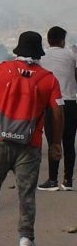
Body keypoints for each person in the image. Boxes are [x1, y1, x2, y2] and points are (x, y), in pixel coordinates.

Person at [0, 30, 63, 246]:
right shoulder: (48, 79)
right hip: (30, 145)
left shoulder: (0, 70)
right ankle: (26, 237)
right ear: (39, 51)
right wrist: (56, 143)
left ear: (19, 49)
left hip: (0, 141)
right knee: (26, 193)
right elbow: (58, 111)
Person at [47, 26, 77, 192]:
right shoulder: (71, 54)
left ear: (48, 40)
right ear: (62, 40)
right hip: (70, 103)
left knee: (53, 141)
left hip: (52, 105)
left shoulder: (42, 56)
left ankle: (52, 179)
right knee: (69, 143)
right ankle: (68, 180)